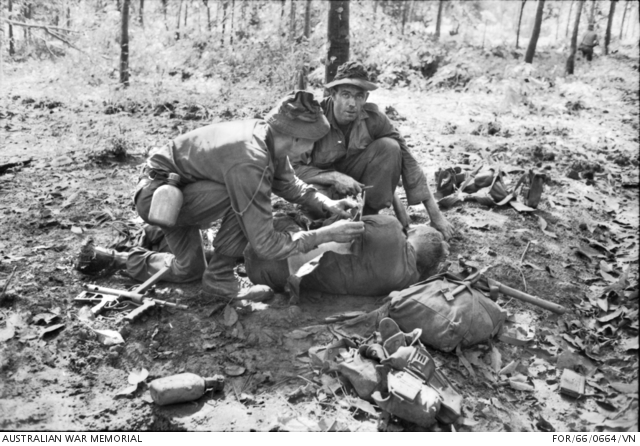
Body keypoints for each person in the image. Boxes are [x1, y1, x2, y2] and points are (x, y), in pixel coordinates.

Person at [76, 91, 365, 301]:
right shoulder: (250, 160)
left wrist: (329, 204)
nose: (309, 152)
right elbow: (265, 245)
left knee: (188, 269)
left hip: (178, 193)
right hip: (160, 198)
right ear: (296, 138)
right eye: (311, 143)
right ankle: (221, 277)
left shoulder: (269, 137)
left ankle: (114, 259)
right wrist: (327, 234)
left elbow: (290, 185)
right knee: (246, 198)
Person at [292, 61, 454, 240]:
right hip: (321, 187)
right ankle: (330, 225)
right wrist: (334, 177)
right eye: (346, 95)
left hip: (358, 186)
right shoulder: (314, 119)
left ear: (366, 98)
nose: (352, 103)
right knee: (321, 215)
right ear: (333, 94)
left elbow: (409, 161)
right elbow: (293, 171)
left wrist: (435, 216)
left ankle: (368, 215)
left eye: (358, 96)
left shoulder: (374, 118)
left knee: (390, 146)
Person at [244, 214, 449, 299]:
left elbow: (347, 223)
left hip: (269, 249)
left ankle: (224, 255)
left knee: (296, 220)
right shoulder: (406, 282)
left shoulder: (391, 227)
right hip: (272, 278)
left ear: (411, 234)